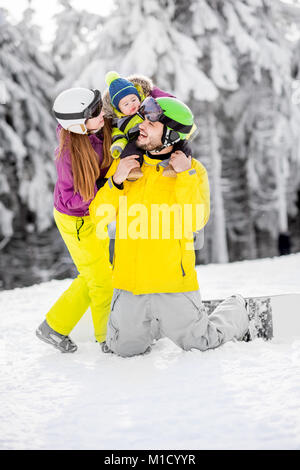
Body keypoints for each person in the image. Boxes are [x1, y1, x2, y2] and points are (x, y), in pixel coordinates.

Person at [89, 96, 249, 357]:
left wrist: (184, 176)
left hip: (172, 283)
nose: (141, 126)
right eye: (142, 120)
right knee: (123, 351)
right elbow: (99, 218)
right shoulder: (126, 168)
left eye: (151, 124)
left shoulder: (192, 171)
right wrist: (116, 182)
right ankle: (155, 323)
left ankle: (236, 308)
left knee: (203, 343)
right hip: (130, 283)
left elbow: (196, 220)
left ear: (171, 134)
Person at [36, 88, 114, 353]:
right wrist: (109, 184)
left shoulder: (96, 129)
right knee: (102, 280)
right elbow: (72, 200)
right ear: (78, 124)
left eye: (98, 107)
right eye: (94, 112)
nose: (101, 113)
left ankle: (54, 327)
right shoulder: (68, 155)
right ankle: (108, 338)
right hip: (76, 221)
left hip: (93, 215)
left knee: (95, 274)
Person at [103, 72, 195, 179]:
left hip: (167, 145)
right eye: (126, 104)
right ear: (119, 109)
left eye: (133, 100)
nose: (132, 104)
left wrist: (186, 172)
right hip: (134, 140)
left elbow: (170, 107)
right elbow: (117, 134)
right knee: (130, 149)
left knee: (182, 145)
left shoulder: (146, 105)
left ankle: (174, 165)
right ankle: (134, 169)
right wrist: (116, 180)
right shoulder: (119, 122)